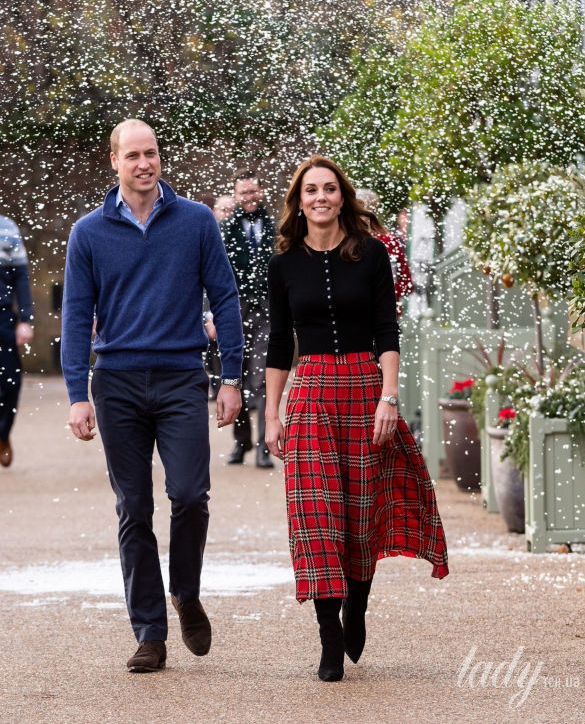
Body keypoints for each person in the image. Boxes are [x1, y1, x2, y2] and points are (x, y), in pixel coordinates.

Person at [61, 119, 244, 673]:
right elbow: (74, 314)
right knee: (133, 506)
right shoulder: (88, 233)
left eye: (153, 153)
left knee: (190, 495)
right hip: (115, 383)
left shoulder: (195, 223)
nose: (145, 163)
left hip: (181, 377)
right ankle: (149, 631)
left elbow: (227, 296)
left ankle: (184, 592)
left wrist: (231, 377)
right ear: (113, 162)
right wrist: (77, 392)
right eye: (133, 155)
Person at [265, 155, 449, 683]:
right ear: (298, 202)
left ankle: (358, 608)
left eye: (328, 189)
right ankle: (327, 634)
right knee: (317, 515)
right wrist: (273, 415)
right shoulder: (282, 264)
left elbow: (386, 333)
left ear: (341, 196)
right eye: (310, 191)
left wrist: (389, 396)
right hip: (312, 394)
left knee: (362, 513)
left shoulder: (370, 255)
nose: (320, 198)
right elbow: (280, 344)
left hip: (365, 389)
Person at [221, 168, 275, 468]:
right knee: (235, 375)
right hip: (234, 310)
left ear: (261, 192)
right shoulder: (226, 229)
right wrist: (211, 314)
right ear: (236, 195)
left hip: (268, 310)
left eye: (253, 192)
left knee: (264, 377)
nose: (249, 198)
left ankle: (264, 445)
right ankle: (240, 442)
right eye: (243, 193)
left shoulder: (276, 228)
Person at [0, 215, 34, 467]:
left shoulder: (6, 228)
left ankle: (2, 433)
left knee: (11, 382)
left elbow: (21, 275)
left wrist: (25, 318)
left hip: (2, 317)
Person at [355, 188, 413, 317]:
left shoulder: (348, 240)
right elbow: (406, 282)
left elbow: (406, 280)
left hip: (361, 314)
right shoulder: (389, 240)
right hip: (388, 311)